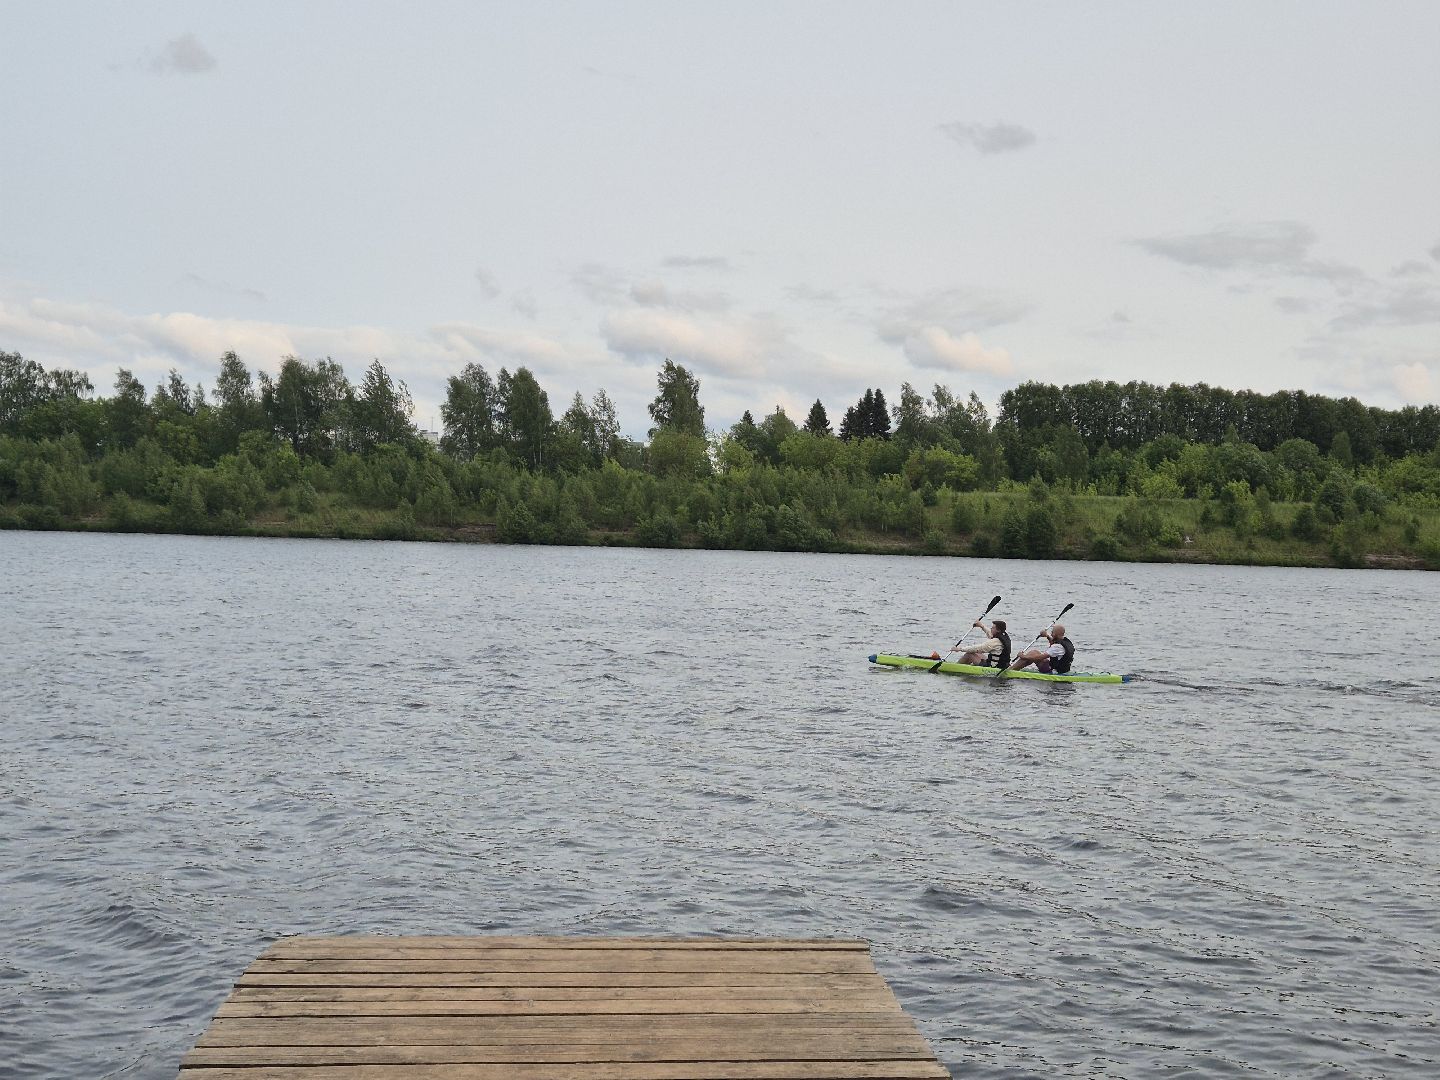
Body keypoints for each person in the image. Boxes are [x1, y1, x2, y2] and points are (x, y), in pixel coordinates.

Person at [1009, 623, 1074, 674]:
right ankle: (1014, 668)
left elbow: (1039, 657)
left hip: (1054, 672)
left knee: (1032, 655)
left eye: (1052, 632)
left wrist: (1023, 656)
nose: (1051, 634)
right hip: (1063, 669)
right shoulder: (1066, 642)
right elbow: (1054, 645)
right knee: (1034, 652)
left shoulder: (1057, 647)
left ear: (1056, 633)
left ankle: (1010, 670)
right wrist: (1047, 636)